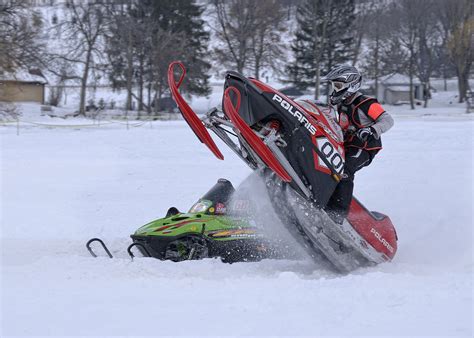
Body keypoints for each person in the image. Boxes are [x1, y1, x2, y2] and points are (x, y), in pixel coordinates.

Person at [323, 65, 394, 223]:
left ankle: (338, 216)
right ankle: (324, 203)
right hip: (346, 145)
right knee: (327, 165)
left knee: (344, 170)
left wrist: (372, 130)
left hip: (365, 147)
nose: (335, 90)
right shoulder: (339, 105)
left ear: (352, 85)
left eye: (338, 86)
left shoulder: (366, 103)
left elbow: (388, 120)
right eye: (333, 86)